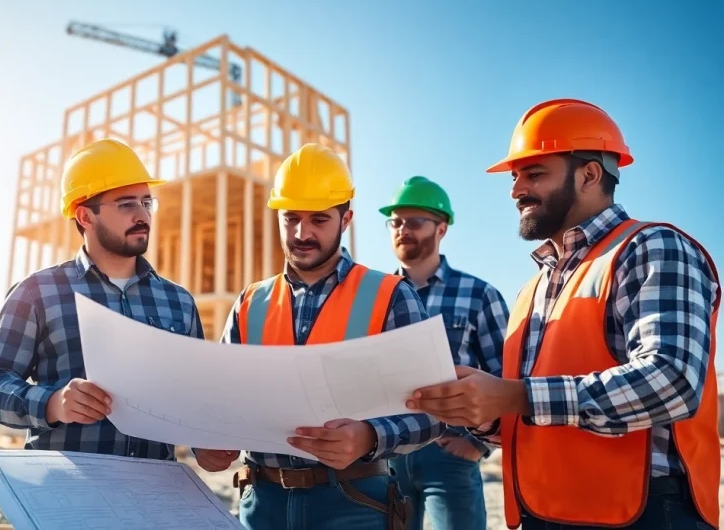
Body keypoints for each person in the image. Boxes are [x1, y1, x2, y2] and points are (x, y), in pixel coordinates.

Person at [408, 98, 720, 529]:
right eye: (515, 177)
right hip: (546, 511)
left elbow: (673, 380)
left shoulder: (652, 248)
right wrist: (481, 412)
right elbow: (534, 417)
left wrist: (516, 395)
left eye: (534, 174)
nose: (516, 190)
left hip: (643, 512)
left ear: (590, 174)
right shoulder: (532, 289)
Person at [193, 144, 446, 530]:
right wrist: (206, 442)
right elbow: (220, 399)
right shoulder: (250, 302)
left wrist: (369, 436)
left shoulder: (391, 295)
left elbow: (435, 409)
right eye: (290, 218)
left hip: (354, 502)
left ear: (346, 218)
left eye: (318, 219)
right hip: (261, 502)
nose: (301, 233)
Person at [0, 138, 204, 460]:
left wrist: (208, 443)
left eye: (147, 203)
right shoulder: (38, 292)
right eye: (126, 204)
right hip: (70, 489)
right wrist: (52, 404)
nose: (143, 216)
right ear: (85, 217)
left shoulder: (177, 301)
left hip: (155, 489)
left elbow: (196, 398)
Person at [379, 176, 508, 530]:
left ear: (442, 228)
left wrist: (477, 447)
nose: (403, 229)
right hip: (386, 455)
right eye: (396, 221)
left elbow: (506, 378)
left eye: (415, 221)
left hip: (450, 452)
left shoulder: (479, 294)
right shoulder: (374, 296)